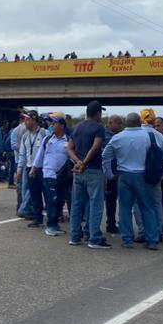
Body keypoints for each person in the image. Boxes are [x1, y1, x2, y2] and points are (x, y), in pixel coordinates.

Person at [103, 111, 160, 249]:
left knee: (125, 208)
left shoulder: (118, 137)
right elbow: (160, 154)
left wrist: (110, 174)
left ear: (125, 123)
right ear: (139, 121)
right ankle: (152, 239)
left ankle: (127, 239)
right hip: (143, 175)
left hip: (124, 175)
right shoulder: (149, 135)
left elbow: (105, 156)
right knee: (147, 208)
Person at [67, 100, 110, 248]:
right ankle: (94, 238)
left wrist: (77, 162)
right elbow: (95, 147)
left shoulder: (77, 127)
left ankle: (74, 236)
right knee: (95, 204)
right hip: (93, 169)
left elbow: (69, 148)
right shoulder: (99, 128)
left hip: (78, 172)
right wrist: (84, 163)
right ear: (98, 113)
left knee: (77, 204)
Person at [30, 115, 70, 236]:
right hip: (49, 174)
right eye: (51, 124)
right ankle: (51, 225)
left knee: (60, 200)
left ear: (62, 126)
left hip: (63, 176)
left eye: (54, 124)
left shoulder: (68, 140)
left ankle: (56, 222)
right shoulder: (48, 139)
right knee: (51, 200)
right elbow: (40, 155)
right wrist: (34, 168)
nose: (52, 126)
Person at [15, 110, 44, 221]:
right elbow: (22, 154)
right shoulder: (25, 136)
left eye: (27, 119)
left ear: (33, 120)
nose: (25, 122)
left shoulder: (43, 133)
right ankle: (34, 215)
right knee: (29, 192)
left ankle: (24, 209)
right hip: (28, 167)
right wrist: (19, 170)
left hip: (41, 168)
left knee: (42, 193)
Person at [103, 115, 124, 234]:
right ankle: (110, 222)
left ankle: (114, 222)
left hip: (117, 171)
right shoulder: (104, 136)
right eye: (119, 123)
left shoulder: (118, 136)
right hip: (108, 173)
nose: (120, 126)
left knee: (115, 198)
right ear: (111, 123)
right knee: (109, 199)